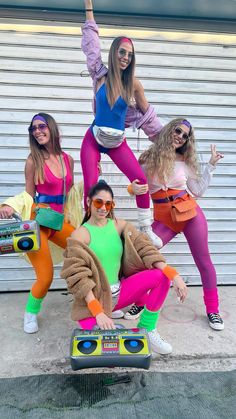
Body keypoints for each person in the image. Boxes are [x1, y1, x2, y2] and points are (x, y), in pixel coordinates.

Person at [61, 180, 188, 356]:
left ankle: (148, 327)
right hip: (95, 302)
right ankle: (103, 319)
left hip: (120, 294)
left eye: (108, 203)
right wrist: (98, 312)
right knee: (109, 355)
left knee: (162, 276)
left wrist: (174, 274)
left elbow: (145, 248)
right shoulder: (80, 234)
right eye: (98, 202)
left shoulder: (120, 226)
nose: (103, 208)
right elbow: (78, 277)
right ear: (89, 202)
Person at [126, 118, 224, 331]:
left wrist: (210, 166)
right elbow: (135, 185)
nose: (180, 136)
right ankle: (141, 302)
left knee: (203, 260)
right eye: (177, 130)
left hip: (190, 214)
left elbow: (197, 190)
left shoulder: (184, 161)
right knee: (141, 256)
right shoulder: (146, 159)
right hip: (164, 219)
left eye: (185, 135)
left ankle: (213, 309)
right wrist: (132, 189)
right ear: (169, 130)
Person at [80, 0, 163, 248]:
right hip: (93, 140)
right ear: (114, 52)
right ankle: (90, 232)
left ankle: (146, 228)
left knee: (141, 181)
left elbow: (149, 118)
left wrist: (167, 141)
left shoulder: (134, 85)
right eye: (122, 52)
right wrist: (89, 9)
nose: (126, 57)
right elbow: (91, 45)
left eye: (130, 54)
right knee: (92, 187)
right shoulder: (100, 74)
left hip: (117, 142)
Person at [0, 113, 82, 334]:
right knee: (45, 277)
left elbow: (70, 193)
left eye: (41, 126)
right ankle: (30, 312)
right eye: (33, 128)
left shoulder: (68, 160)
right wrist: (9, 206)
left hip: (58, 221)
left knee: (87, 253)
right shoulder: (32, 161)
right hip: (39, 223)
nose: (37, 131)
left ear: (51, 128)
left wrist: (93, 180)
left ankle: (94, 299)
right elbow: (28, 195)